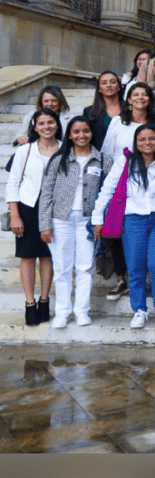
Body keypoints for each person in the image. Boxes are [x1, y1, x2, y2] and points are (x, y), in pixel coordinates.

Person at [91, 124, 155, 328]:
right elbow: (107, 190)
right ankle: (139, 310)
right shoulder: (125, 161)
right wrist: (97, 217)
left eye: (152, 138)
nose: (147, 143)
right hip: (133, 219)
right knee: (135, 267)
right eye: (142, 139)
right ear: (135, 142)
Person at [38, 117, 112, 328]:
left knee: (85, 266)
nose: (81, 135)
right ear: (69, 135)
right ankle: (62, 312)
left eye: (86, 131)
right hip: (61, 219)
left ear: (91, 133)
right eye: (76, 131)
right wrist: (45, 224)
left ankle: (81, 311)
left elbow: (109, 193)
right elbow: (46, 193)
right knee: (62, 268)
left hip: (88, 221)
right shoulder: (59, 159)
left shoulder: (103, 160)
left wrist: (101, 220)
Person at [7, 109, 60, 325]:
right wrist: (15, 215)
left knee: (47, 256)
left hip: (54, 208)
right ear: (35, 127)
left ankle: (44, 300)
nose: (47, 127)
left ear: (57, 124)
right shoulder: (25, 150)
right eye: (42, 123)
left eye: (50, 122)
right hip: (28, 207)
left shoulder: (65, 148)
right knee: (28, 257)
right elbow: (13, 183)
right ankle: (30, 302)